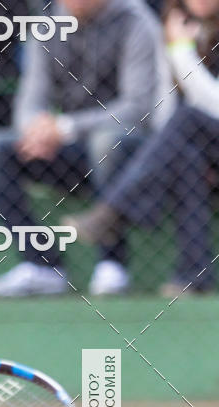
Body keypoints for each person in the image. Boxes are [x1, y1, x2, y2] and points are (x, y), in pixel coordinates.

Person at [0, 0, 168, 298]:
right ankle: (42, 266)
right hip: (66, 150)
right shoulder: (46, 25)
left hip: (130, 153)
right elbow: (30, 102)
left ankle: (112, 264)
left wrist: (66, 127)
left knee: (106, 142)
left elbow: (137, 108)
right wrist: (37, 129)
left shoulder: (135, 20)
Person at [66, 0, 219, 297]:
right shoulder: (175, 25)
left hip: (208, 129)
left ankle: (113, 213)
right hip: (198, 143)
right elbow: (164, 103)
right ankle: (194, 274)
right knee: (186, 155)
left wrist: (180, 51)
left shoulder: (180, 40)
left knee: (186, 120)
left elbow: (215, 107)